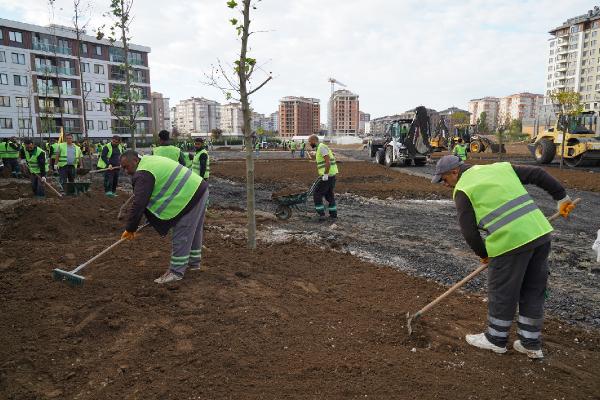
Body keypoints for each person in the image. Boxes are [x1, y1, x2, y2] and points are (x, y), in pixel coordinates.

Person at [431, 155, 576, 359]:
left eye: (444, 179)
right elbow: (538, 174)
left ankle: (496, 339)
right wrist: (562, 198)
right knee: (532, 290)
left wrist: (484, 254)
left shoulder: (463, 189)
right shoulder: (500, 168)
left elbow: (469, 232)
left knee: (503, 292)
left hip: (510, 243)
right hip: (539, 235)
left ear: (455, 172)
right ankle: (531, 343)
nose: (444, 184)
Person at [119, 151, 209, 284]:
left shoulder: (143, 173)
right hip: (199, 189)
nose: (125, 171)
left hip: (189, 195)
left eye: (126, 167)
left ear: (135, 161)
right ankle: (193, 264)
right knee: (193, 231)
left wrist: (130, 228)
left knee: (182, 232)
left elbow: (139, 203)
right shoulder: (149, 161)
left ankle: (176, 272)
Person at [308, 134, 338, 220]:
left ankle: (320, 214)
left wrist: (325, 174)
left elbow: (327, 162)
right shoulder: (321, 148)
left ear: (314, 140)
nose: (310, 144)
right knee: (329, 195)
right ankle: (333, 215)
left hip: (327, 176)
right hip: (331, 175)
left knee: (317, 193)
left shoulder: (321, 147)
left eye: (310, 142)